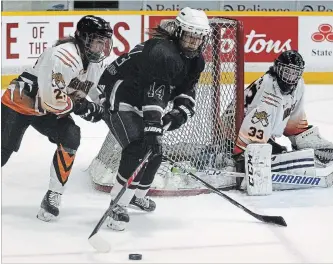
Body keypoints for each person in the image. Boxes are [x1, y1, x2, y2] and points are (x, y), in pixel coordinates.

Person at [92, 7, 211, 231]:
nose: (193, 41)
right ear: (178, 32)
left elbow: (186, 92)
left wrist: (177, 115)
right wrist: (154, 125)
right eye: (189, 35)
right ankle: (117, 204)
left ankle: (136, 195)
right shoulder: (163, 52)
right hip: (119, 95)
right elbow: (153, 94)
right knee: (138, 148)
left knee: (155, 152)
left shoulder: (196, 61)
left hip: (142, 100)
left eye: (198, 36)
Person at [1, 15, 113, 222]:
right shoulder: (63, 56)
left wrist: (110, 111)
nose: (101, 47)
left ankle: (53, 195)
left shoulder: (94, 62)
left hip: (47, 108)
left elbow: (97, 92)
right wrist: (84, 107)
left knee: (71, 136)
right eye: (97, 41)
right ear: (83, 38)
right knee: (2, 152)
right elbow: (50, 100)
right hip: (20, 103)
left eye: (104, 42)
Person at [232, 50, 333, 187]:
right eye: (287, 72)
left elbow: (294, 114)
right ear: (278, 69)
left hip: (256, 131)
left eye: (294, 73)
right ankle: (243, 157)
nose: (290, 77)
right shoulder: (269, 88)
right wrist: (272, 148)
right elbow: (255, 122)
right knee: (263, 118)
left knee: (282, 146)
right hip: (235, 133)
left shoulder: (299, 85)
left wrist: (301, 137)